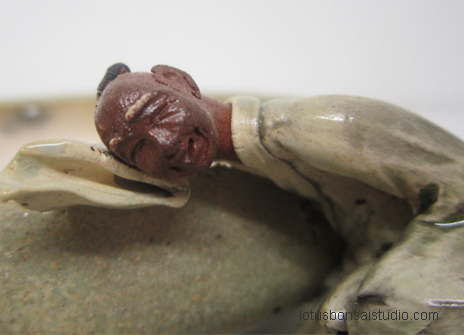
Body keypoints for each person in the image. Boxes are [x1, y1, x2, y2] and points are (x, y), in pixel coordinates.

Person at [95, 63, 464, 333]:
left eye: (159, 112)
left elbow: (456, 180)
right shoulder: (249, 165)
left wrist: (391, 277)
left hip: (444, 237)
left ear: (180, 80)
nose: (162, 144)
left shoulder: (322, 126)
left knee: (385, 309)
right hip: (374, 253)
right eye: (138, 150)